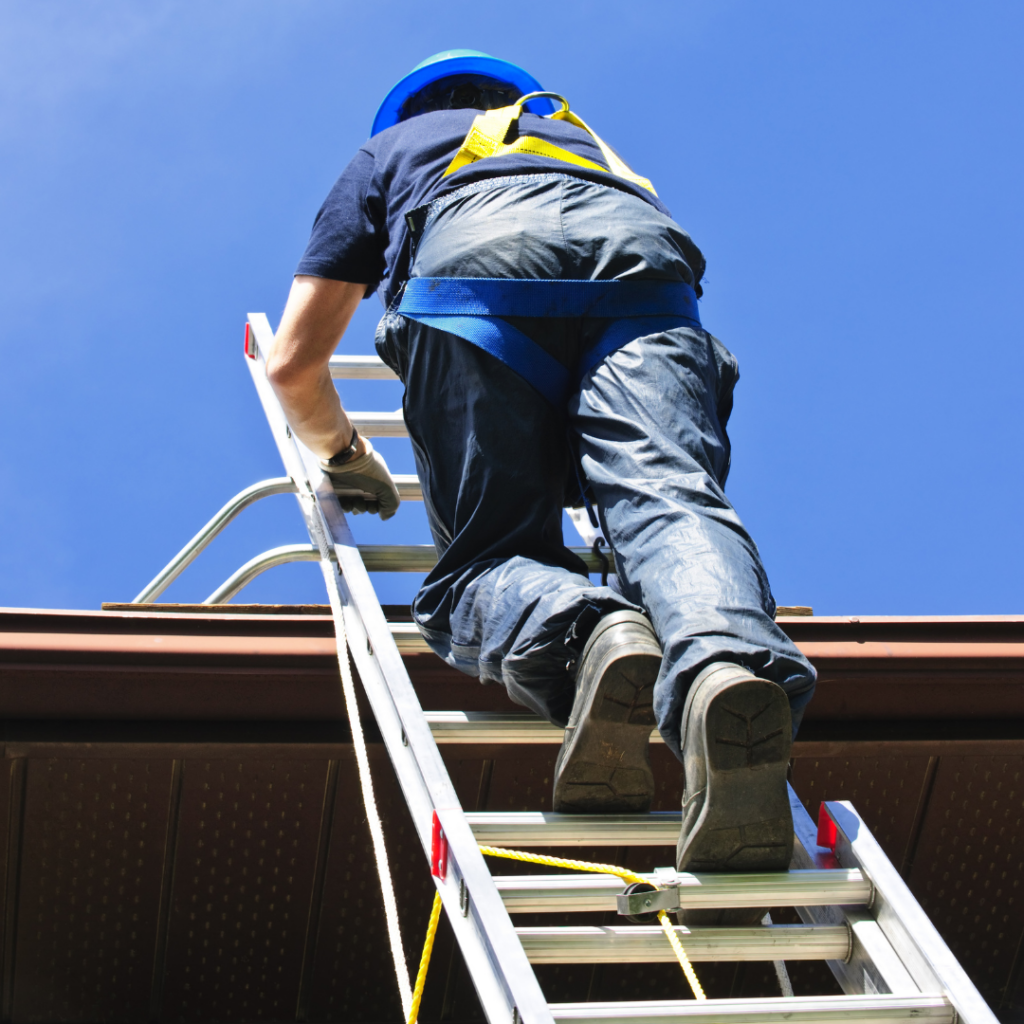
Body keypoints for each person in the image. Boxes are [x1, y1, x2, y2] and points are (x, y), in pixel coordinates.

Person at [266, 51, 817, 890]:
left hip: (474, 287)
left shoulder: (390, 154)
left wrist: (344, 453)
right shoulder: (590, 146)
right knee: (670, 502)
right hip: (644, 281)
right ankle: (725, 669)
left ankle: (590, 632)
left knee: (477, 571)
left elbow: (292, 366)